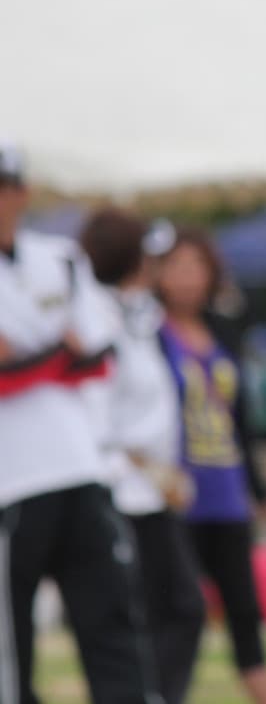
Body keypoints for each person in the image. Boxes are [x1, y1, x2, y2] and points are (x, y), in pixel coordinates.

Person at [0, 145, 161, 703]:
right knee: (9, 654)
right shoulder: (63, 268)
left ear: (21, 192)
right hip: (11, 481)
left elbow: (98, 357)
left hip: (77, 467)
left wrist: (30, 359)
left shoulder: (60, 258)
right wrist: (56, 356)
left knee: (113, 631)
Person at [78, 207, 205, 704]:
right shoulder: (98, 320)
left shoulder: (139, 316)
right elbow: (98, 413)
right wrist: (139, 467)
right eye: (149, 256)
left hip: (152, 491)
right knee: (141, 612)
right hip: (121, 491)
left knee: (181, 607)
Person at [155, 227, 266, 704]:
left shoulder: (223, 330)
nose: (187, 277)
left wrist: (260, 489)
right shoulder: (148, 334)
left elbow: (241, 422)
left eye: (196, 266)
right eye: (177, 266)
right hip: (174, 501)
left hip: (227, 497)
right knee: (179, 618)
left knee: (245, 620)